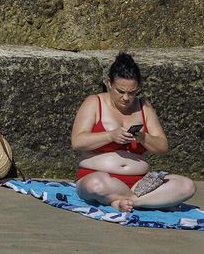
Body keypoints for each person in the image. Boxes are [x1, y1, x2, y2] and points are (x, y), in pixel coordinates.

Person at [71, 51, 196, 212]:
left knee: (186, 186)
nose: (126, 98)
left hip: (140, 183)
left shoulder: (144, 107)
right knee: (96, 185)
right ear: (110, 83)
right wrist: (110, 135)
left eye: (132, 92)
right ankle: (153, 201)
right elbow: (77, 142)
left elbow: (163, 147)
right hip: (101, 177)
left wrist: (143, 138)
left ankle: (129, 201)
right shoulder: (94, 102)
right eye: (120, 91)